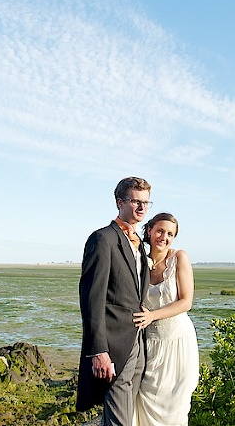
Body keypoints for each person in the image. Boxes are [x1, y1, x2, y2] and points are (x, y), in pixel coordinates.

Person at [77, 176, 153, 425]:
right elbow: (92, 299)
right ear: (119, 202)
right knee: (119, 418)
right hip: (114, 345)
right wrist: (98, 351)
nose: (141, 208)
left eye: (145, 202)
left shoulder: (140, 245)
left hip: (138, 341)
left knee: (124, 416)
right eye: (135, 201)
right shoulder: (103, 239)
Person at [133, 212, 199, 426]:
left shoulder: (179, 257)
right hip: (149, 344)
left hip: (178, 344)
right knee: (143, 400)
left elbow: (186, 301)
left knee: (174, 408)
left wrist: (152, 315)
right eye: (160, 231)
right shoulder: (138, 260)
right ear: (149, 230)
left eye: (170, 234)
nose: (164, 237)